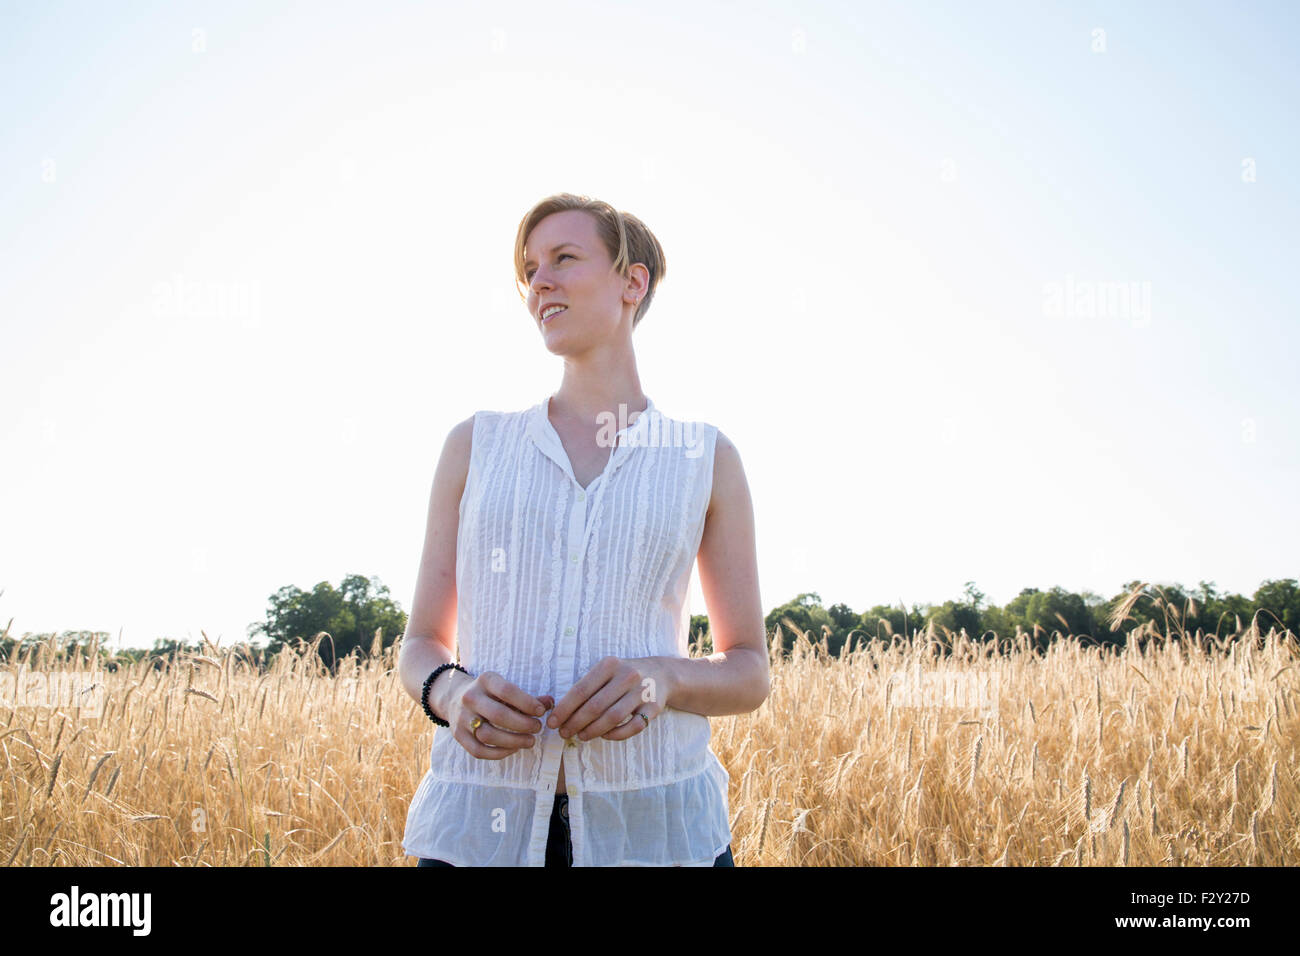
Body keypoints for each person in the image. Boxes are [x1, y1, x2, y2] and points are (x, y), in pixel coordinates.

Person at [399, 192, 769, 866]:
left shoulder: (705, 458)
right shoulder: (474, 446)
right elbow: (421, 644)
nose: (539, 281)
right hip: (481, 829)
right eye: (530, 269)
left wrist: (663, 678)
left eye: (564, 258)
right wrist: (451, 694)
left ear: (632, 282)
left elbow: (749, 671)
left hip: (655, 833)